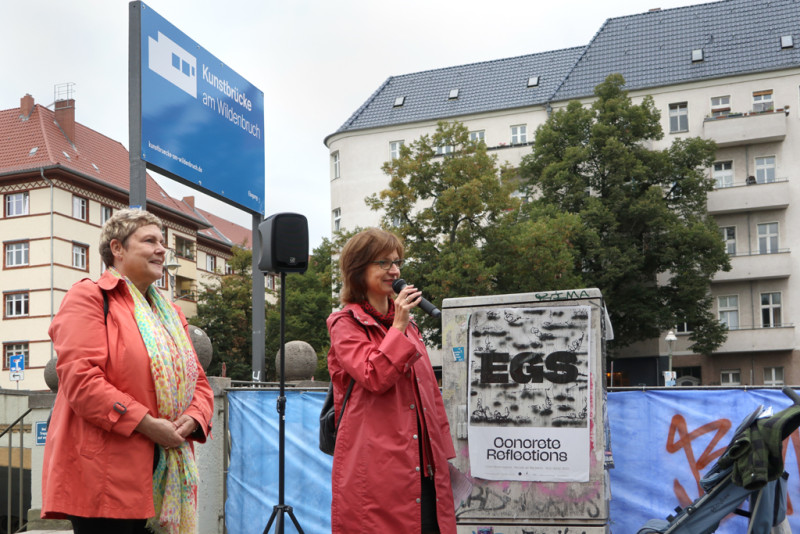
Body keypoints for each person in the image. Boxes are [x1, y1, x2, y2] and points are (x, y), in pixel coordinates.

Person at [41, 208, 214, 534]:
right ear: (117, 249)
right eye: (150, 240)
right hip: (107, 478)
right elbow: (82, 382)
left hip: (165, 470)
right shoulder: (90, 296)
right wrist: (147, 424)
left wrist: (193, 417)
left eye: (162, 242)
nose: (162, 249)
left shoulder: (170, 313)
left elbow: (199, 382)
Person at [326, 228, 457, 534]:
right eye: (383, 262)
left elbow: (431, 399)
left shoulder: (410, 329)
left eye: (397, 262)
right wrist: (398, 325)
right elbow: (374, 376)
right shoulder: (345, 323)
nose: (394, 270)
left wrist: (443, 459)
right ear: (359, 270)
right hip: (377, 473)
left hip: (425, 471)